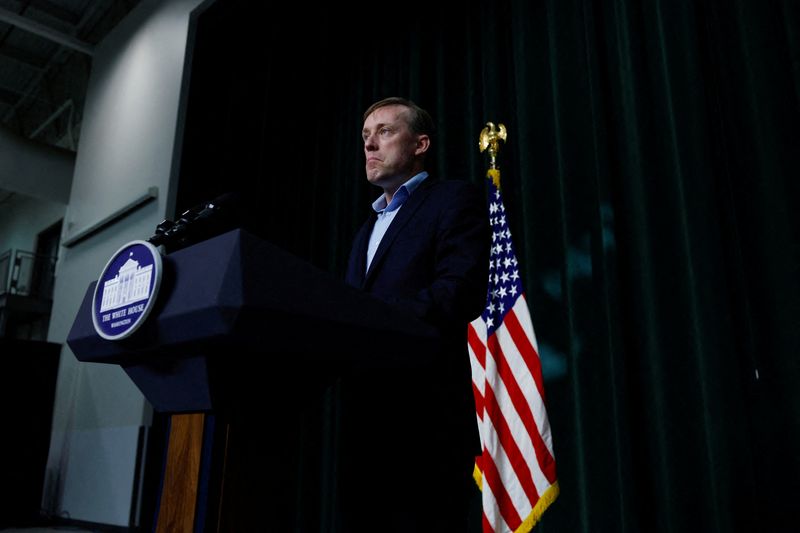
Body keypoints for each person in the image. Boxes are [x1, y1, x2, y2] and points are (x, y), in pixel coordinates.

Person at [339, 97, 490, 532]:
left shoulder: (452, 199)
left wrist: (368, 320)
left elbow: (457, 291)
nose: (370, 145)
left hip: (425, 415)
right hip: (364, 419)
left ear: (420, 143)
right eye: (366, 137)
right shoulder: (365, 230)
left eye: (384, 132)